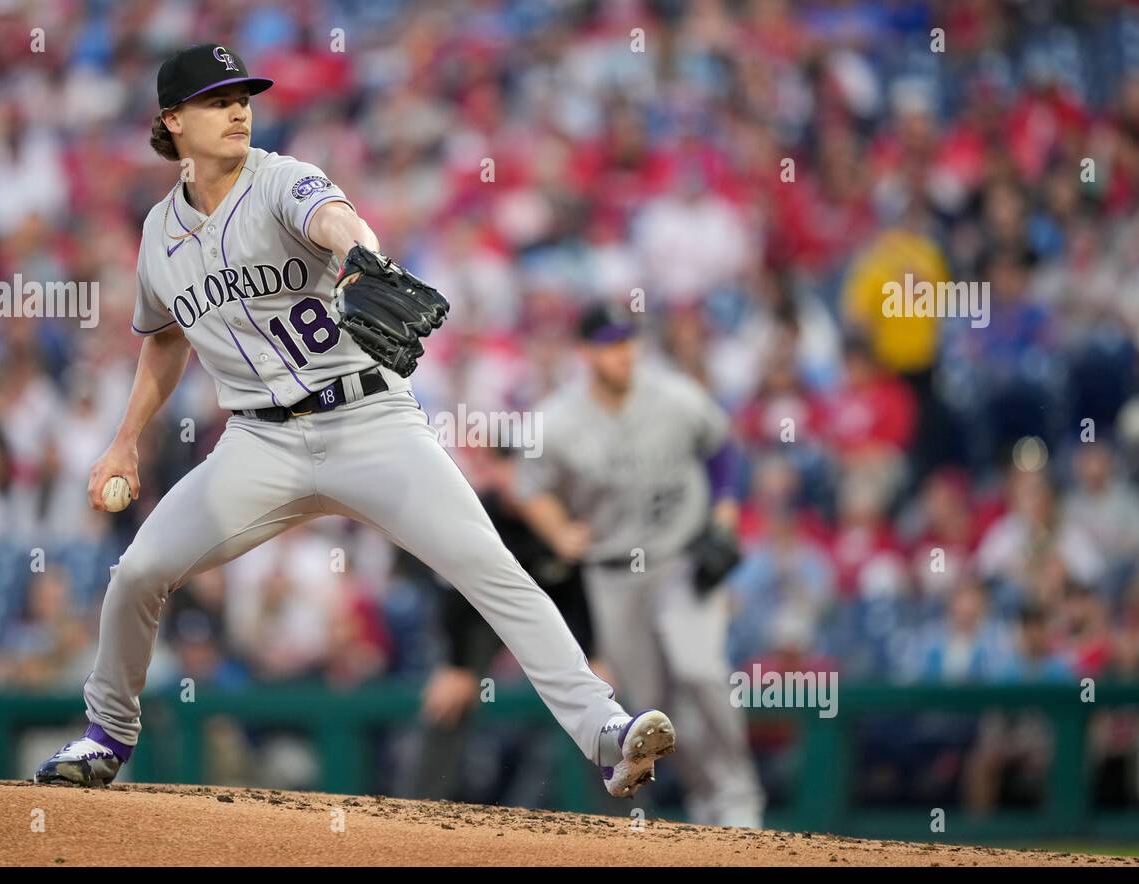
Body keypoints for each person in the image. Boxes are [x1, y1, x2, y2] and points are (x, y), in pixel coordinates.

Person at [33, 44, 675, 798]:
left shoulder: (280, 179)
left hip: (368, 421)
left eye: (243, 95)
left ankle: (606, 732)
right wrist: (123, 441)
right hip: (258, 441)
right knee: (138, 572)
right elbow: (165, 339)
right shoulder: (156, 235)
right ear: (172, 121)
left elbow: (339, 220)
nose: (239, 108)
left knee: (489, 566)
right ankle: (107, 735)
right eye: (216, 100)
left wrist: (361, 259)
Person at [516, 303, 765, 827]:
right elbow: (528, 486)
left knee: (698, 666)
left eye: (628, 341)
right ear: (585, 353)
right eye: (609, 344)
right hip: (612, 577)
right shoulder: (558, 420)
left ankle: (737, 799)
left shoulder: (674, 396)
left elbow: (721, 450)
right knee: (647, 708)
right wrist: (558, 529)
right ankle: (693, 808)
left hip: (682, 560)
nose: (623, 353)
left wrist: (724, 515)